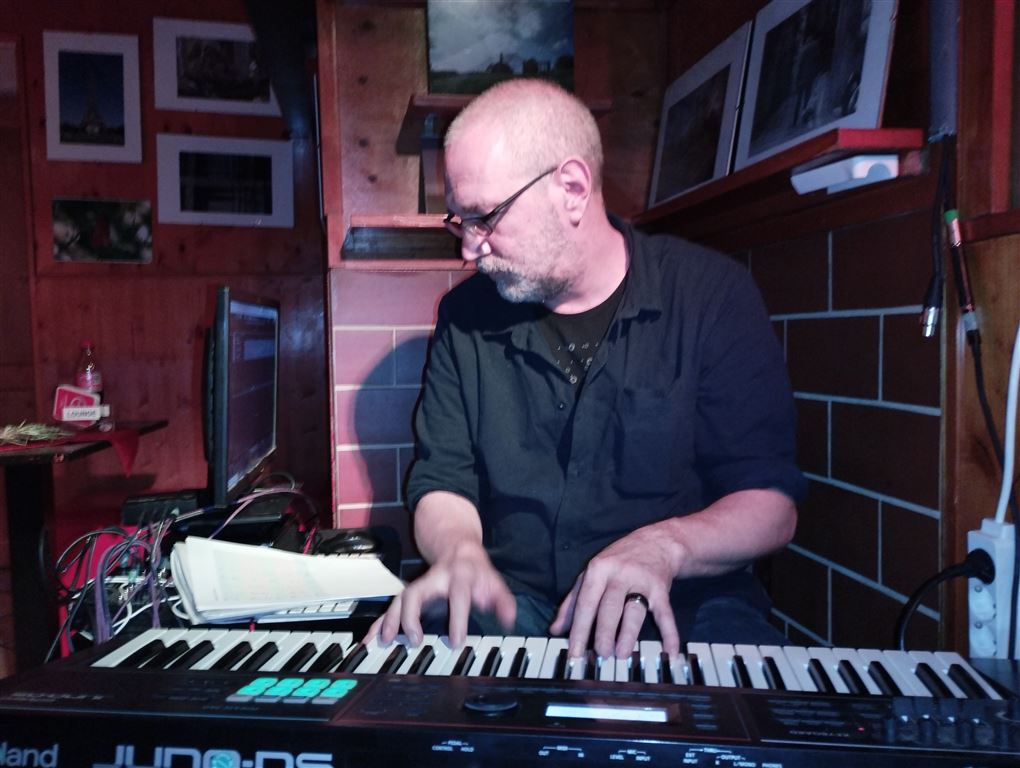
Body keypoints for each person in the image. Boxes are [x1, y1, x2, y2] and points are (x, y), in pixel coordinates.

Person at [371, 78, 805, 662]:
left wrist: (665, 546)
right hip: (514, 607)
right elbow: (443, 479)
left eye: (485, 218)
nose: (469, 249)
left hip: (683, 608)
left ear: (572, 189)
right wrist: (458, 553)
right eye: (460, 220)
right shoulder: (465, 316)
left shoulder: (711, 296)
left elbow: (771, 506)